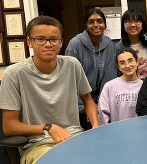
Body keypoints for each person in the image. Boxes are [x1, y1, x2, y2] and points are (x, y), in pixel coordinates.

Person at [0, 16, 98, 164]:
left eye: (53, 39)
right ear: (29, 42)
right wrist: (48, 128)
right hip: (38, 145)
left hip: (75, 138)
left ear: (61, 42)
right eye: (40, 39)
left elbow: (88, 100)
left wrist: (95, 125)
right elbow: (9, 126)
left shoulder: (72, 65)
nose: (48, 44)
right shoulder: (14, 73)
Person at [65, 8, 116, 129]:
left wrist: (99, 104)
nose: (96, 25)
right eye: (91, 22)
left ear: (105, 24)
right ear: (86, 25)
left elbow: (109, 78)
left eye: (99, 21)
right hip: (78, 105)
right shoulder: (75, 44)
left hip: (100, 103)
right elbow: (70, 80)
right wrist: (86, 108)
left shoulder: (110, 45)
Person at [98, 48, 143, 125]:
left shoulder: (144, 86)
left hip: (140, 132)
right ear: (118, 67)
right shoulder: (110, 86)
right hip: (117, 133)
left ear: (137, 62)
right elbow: (103, 113)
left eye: (130, 60)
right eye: (122, 63)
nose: (127, 65)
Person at [116, 9, 147, 79]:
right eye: (128, 21)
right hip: (130, 85)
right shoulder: (119, 47)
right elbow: (119, 72)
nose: (133, 25)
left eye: (137, 21)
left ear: (142, 23)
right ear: (123, 25)